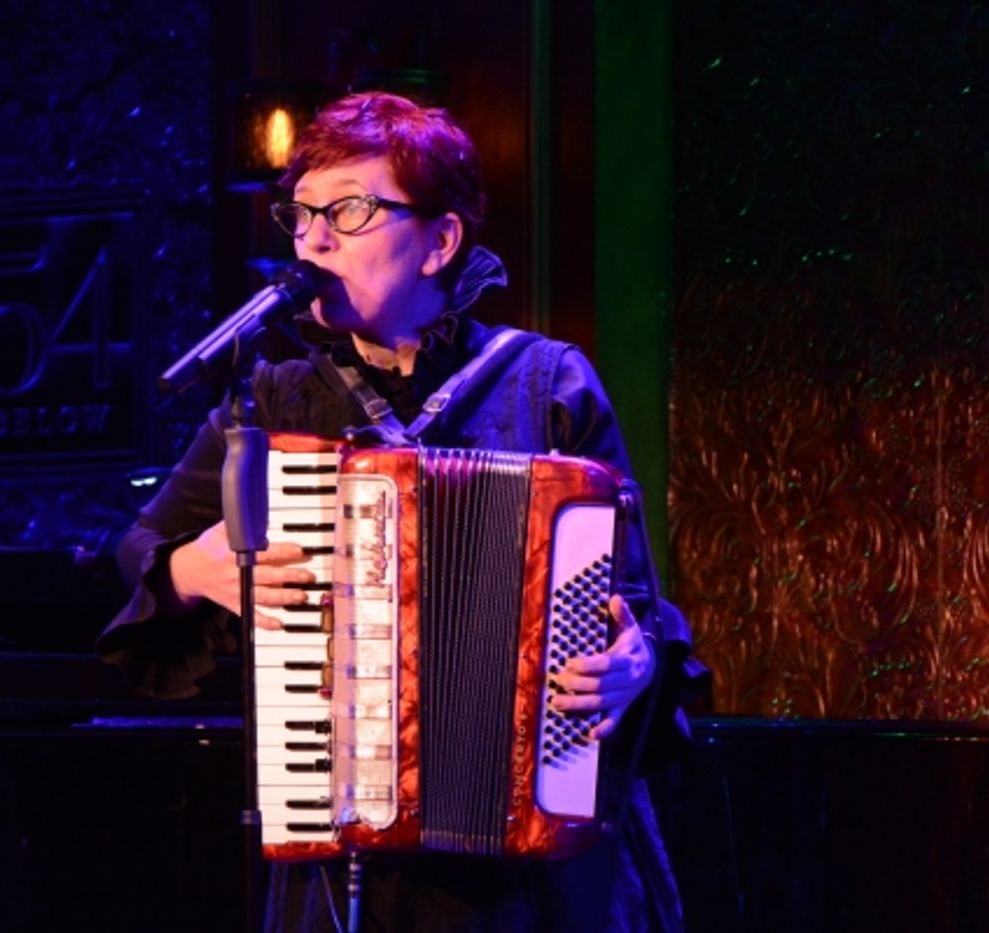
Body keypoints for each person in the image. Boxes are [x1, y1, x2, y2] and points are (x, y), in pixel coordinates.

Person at [98, 90, 706, 932]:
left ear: (440, 240)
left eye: (347, 210)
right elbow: (139, 550)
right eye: (301, 213)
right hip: (349, 870)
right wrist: (194, 570)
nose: (312, 240)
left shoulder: (545, 384)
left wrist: (633, 663)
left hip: (534, 880)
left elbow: (635, 612)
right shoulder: (272, 401)